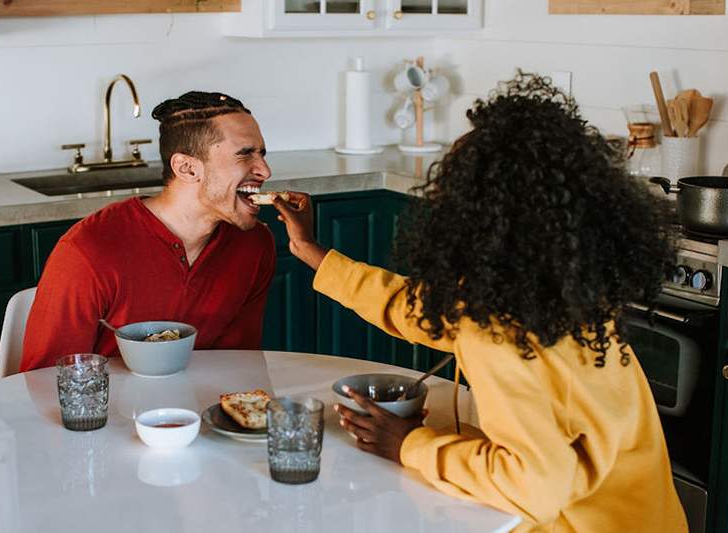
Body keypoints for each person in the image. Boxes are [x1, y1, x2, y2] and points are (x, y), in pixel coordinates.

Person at [272, 73, 687, 531]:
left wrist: (408, 443)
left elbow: (535, 485)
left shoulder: (499, 327)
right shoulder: (557, 286)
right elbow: (420, 308)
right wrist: (312, 252)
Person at [21, 91, 275, 371]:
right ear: (187, 168)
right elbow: (46, 380)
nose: (265, 170)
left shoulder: (254, 245)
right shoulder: (88, 250)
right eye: (245, 154)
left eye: (262, 153)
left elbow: (241, 366)